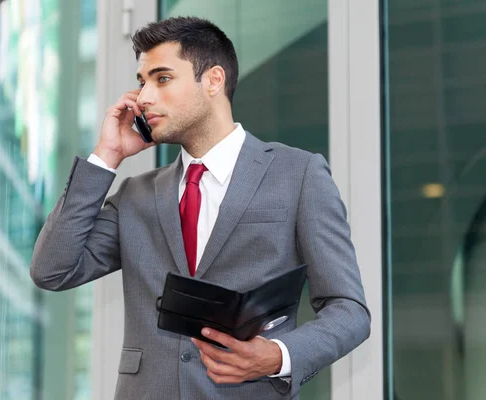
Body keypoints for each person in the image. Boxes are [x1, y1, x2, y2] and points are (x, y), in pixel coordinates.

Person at [30, 16, 370, 400]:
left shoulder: (298, 174)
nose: (142, 97)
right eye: (142, 82)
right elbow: (52, 270)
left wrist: (278, 355)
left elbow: (349, 310)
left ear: (213, 80)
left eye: (162, 78)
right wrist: (106, 156)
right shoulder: (135, 195)